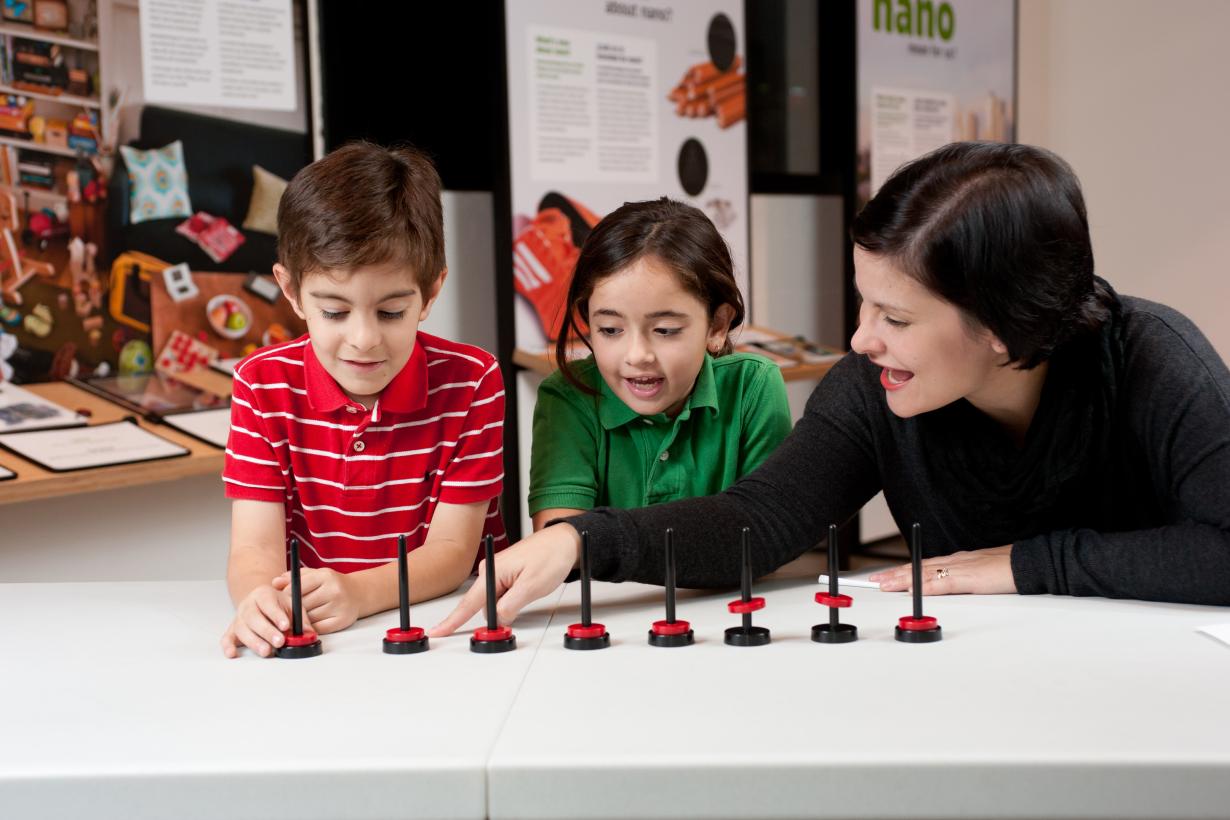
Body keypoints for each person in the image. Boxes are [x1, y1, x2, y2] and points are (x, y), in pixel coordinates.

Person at [431, 141, 1230, 636]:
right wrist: (580, 542)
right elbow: (759, 520)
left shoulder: (1157, 363)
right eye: (862, 302)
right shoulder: (872, 387)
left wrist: (1029, 564)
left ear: (1004, 328)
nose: (860, 339)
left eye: (895, 315)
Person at [221, 142, 506, 658]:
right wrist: (260, 601)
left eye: (391, 312)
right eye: (334, 312)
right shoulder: (260, 384)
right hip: (329, 638)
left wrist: (360, 592)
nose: (364, 339)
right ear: (290, 290)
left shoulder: (473, 381)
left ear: (432, 291)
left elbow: (452, 552)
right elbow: (254, 547)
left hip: (447, 628)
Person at [528, 198, 791, 531]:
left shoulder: (753, 387)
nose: (637, 355)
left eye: (665, 330)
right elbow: (561, 547)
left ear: (717, 326)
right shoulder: (567, 397)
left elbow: (766, 531)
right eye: (610, 330)